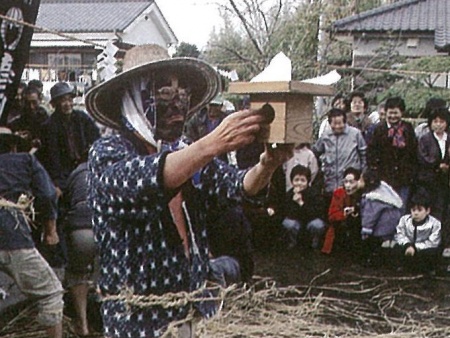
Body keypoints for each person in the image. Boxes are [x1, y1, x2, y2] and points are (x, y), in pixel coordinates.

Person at [85, 44, 293, 337]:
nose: (178, 102)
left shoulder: (185, 152)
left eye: (183, 92)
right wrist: (213, 143)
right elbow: (146, 179)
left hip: (191, 310)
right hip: (138, 321)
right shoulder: (108, 153)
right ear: (134, 97)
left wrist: (268, 165)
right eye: (164, 92)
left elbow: (235, 186)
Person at [0, 127, 64, 338]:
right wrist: (50, 230)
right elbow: (47, 194)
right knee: (51, 294)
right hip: (12, 236)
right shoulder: (25, 160)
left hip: (10, 236)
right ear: (14, 145)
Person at [63, 152, 98, 336]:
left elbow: (65, 204)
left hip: (80, 228)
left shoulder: (76, 173)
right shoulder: (109, 169)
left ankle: (82, 325)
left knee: (77, 274)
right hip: (105, 227)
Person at [368, 97, 417, 214]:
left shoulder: (408, 128)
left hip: (404, 177)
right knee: (386, 209)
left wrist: (411, 172)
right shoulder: (379, 129)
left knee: (402, 208)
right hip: (384, 177)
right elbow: (371, 152)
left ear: (402, 113)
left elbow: (413, 151)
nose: (393, 116)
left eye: (396, 113)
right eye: (390, 113)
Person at [313, 108, 367, 199]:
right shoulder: (325, 136)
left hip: (351, 184)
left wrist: (362, 176)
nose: (337, 126)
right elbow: (315, 152)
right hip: (330, 184)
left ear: (345, 122)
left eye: (340, 123)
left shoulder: (355, 134)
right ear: (329, 123)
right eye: (335, 124)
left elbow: (364, 155)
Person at [359, 170, 403, 266]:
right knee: (388, 244)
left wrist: (366, 231)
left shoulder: (373, 198)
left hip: (382, 226)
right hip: (393, 223)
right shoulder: (385, 192)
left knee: (375, 244)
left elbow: (370, 216)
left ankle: (373, 260)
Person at [393, 189, 441, 274]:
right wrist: (407, 245)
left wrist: (415, 247)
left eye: (419, 210)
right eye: (413, 210)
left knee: (432, 253)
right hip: (407, 248)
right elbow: (399, 235)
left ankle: (425, 270)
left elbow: (433, 242)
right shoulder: (404, 220)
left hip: (422, 250)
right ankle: (402, 267)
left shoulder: (435, 223)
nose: (416, 213)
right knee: (396, 247)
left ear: (427, 211)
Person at [417, 107, 450, 224]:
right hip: (428, 181)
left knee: (442, 209)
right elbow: (422, 157)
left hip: (444, 181)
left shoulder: (448, 138)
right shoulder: (425, 139)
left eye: (442, 122)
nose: (438, 125)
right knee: (429, 208)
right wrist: (437, 165)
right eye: (435, 121)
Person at [280, 165, 326, 250]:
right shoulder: (289, 194)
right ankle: (292, 243)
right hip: (296, 222)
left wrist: (301, 203)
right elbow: (287, 213)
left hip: (311, 221)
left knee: (317, 225)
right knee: (288, 224)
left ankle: (315, 243)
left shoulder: (314, 194)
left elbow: (316, 213)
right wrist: (294, 203)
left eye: (302, 180)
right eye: (296, 180)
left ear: (308, 182)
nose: (299, 183)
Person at [321, 167, 363, 258]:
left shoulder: (363, 195)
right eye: (345, 182)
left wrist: (356, 210)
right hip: (340, 230)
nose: (348, 185)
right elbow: (331, 215)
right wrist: (343, 214)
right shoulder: (338, 193)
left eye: (351, 182)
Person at [8, 85, 49, 153]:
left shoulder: (46, 120)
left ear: (40, 100)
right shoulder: (19, 120)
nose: (31, 107)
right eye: (27, 103)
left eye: (34, 102)